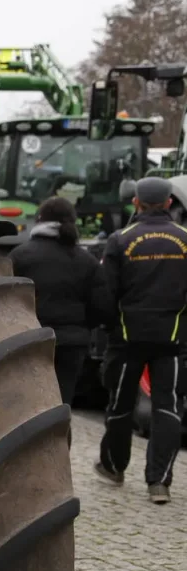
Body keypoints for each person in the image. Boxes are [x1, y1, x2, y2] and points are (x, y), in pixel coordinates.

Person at [94, 176, 187, 505]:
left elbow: (107, 293)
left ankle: (114, 466)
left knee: (120, 405)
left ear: (136, 202)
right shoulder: (185, 239)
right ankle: (159, 482)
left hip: (127, 339)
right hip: (172, 339)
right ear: (169, 203)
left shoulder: (120, 240)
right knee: (168, 408)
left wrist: (109, 328)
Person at [8, 196, 110, 406]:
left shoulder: (18, 257)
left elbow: (5, 301)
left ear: (39, 220)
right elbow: (102, 308)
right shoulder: (87, 261)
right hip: (71, 345)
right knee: (62, 402)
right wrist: (80, 327)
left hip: (29, 340)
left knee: (28, 404)